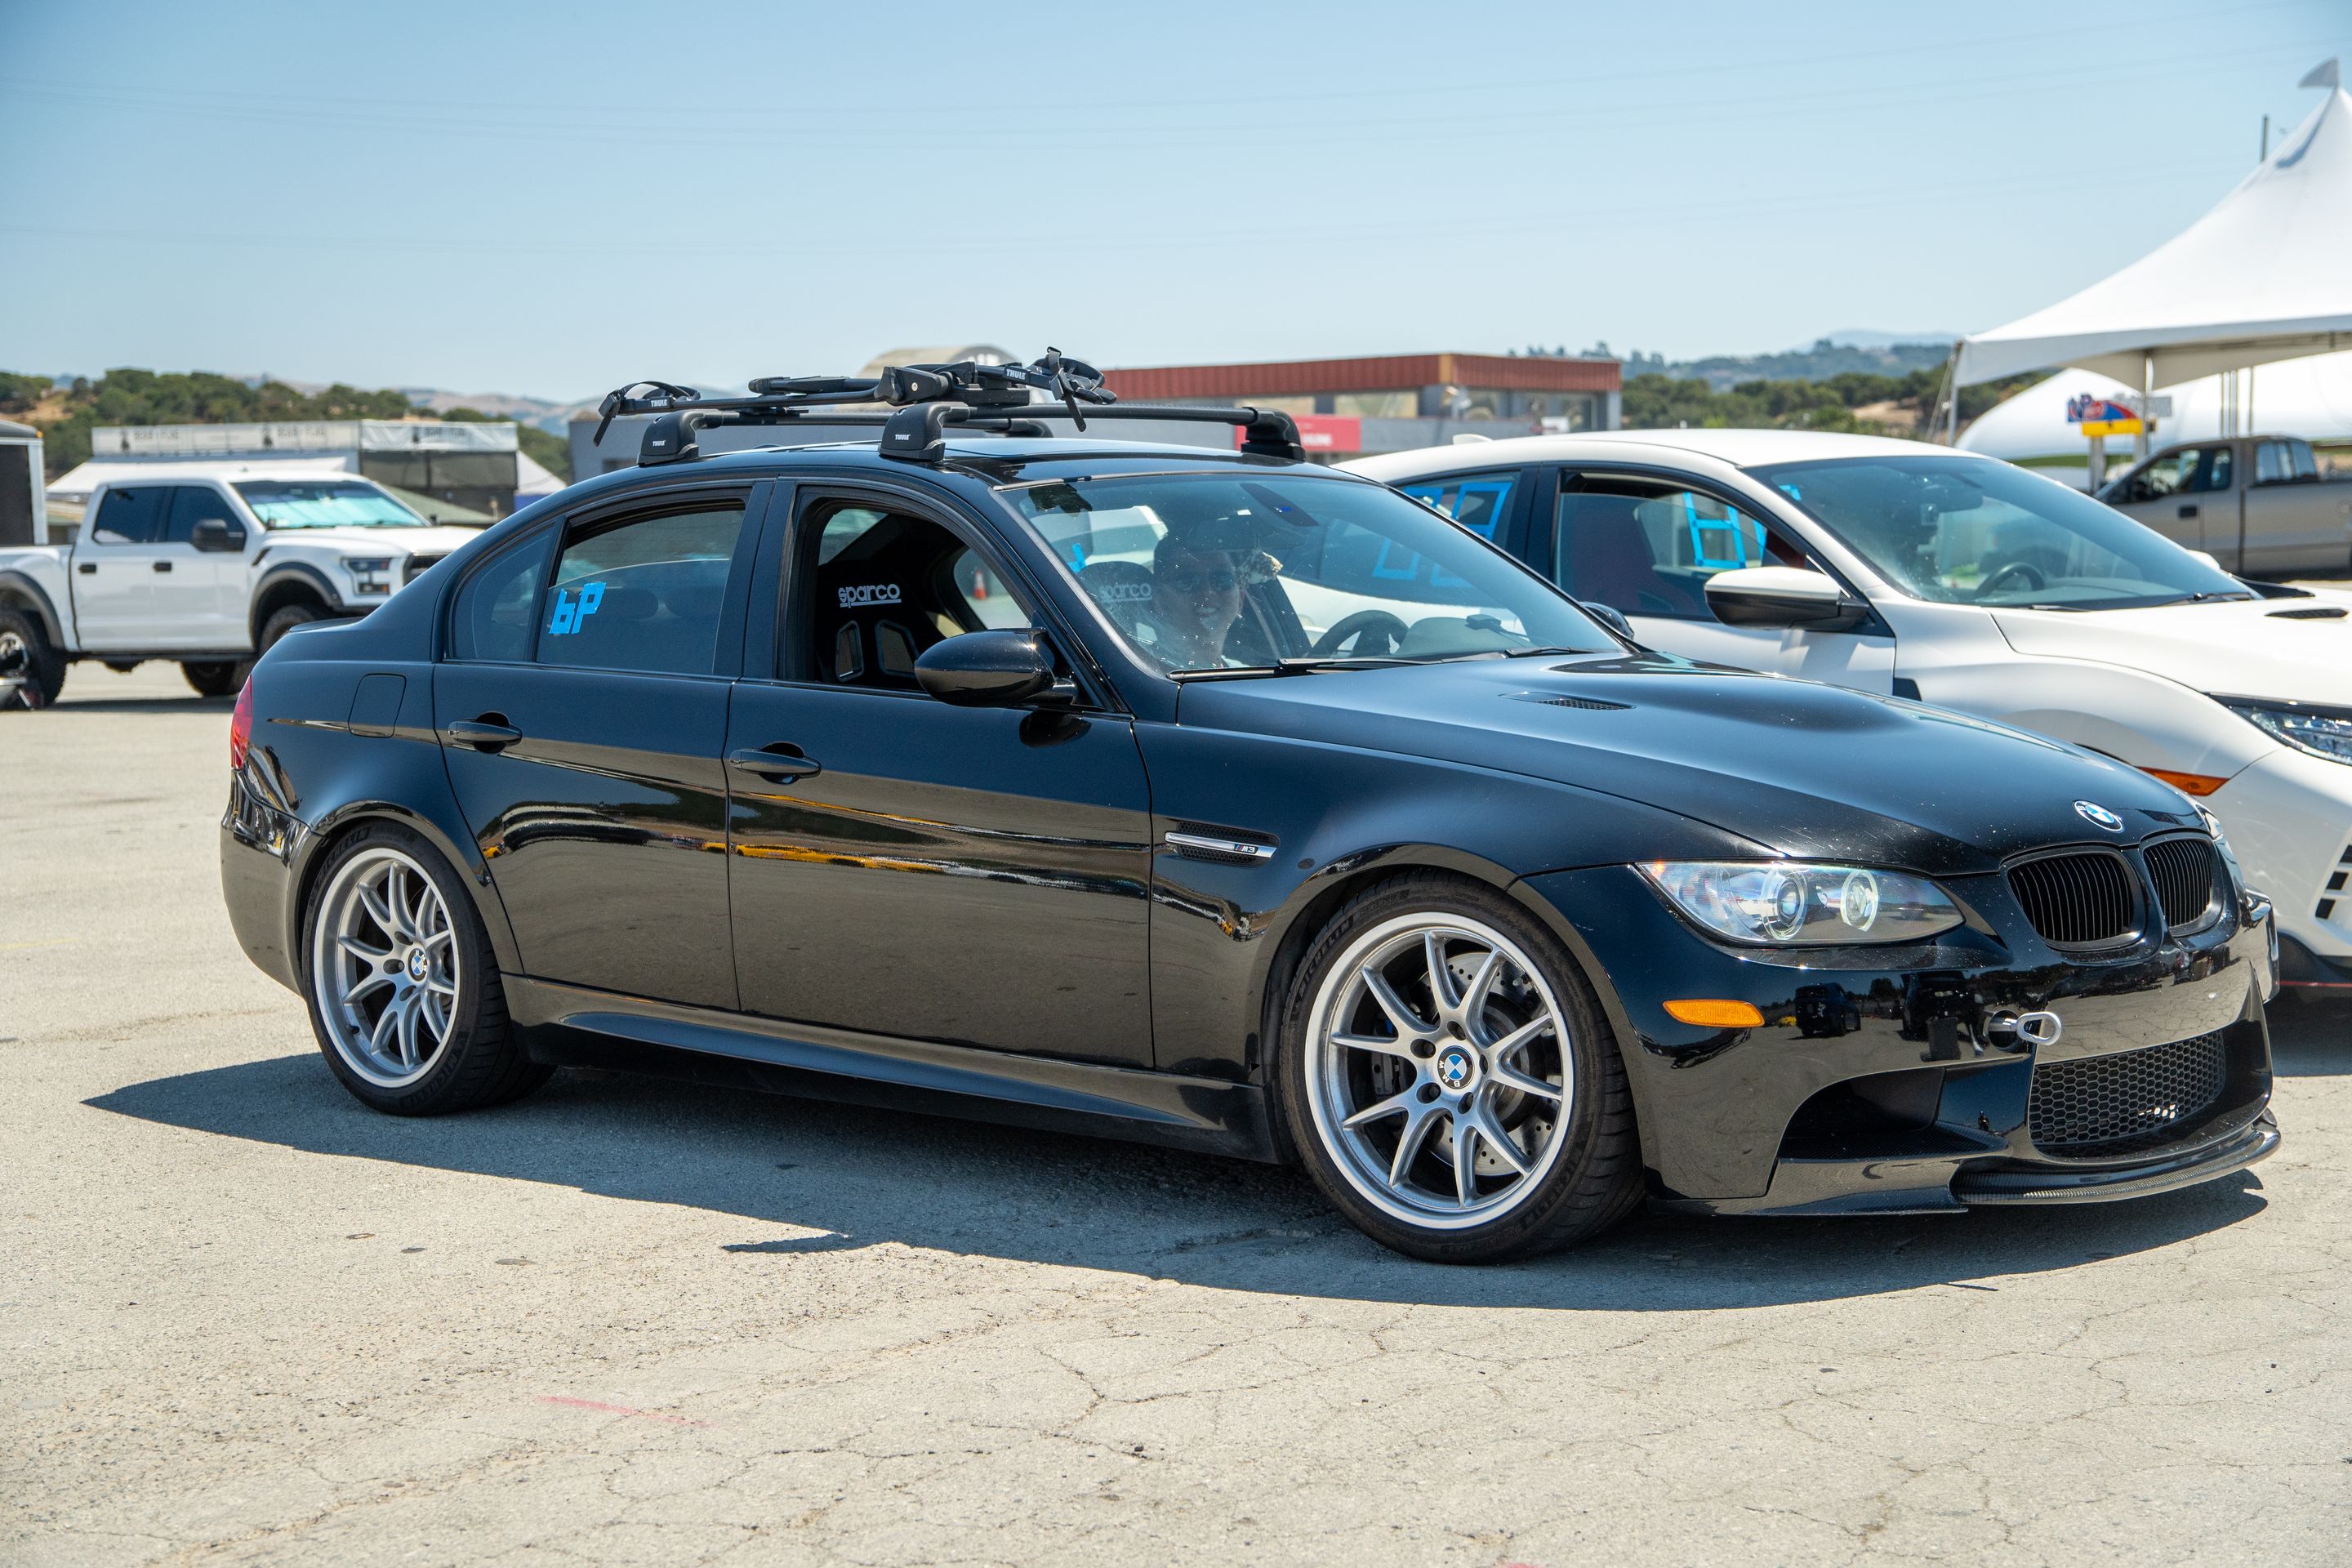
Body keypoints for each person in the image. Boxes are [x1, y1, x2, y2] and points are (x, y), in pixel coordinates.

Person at [1148, 533, 1249, 669]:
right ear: (1160, 601)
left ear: (1240, 601)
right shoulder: (1135, 675)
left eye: (1222, 579)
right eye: (1188, 580)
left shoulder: (1251, 679)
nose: (1207, 591)